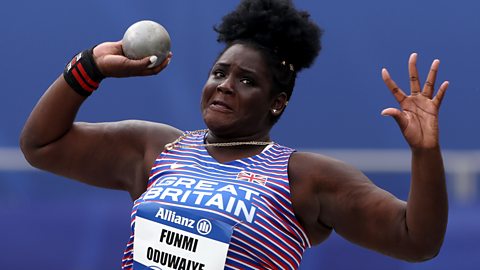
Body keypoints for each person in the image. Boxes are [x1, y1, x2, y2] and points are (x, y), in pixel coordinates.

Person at [20, 0, 449, 269]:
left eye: (246, 81)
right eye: (219, 73)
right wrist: (90, 68)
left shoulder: (305, 176)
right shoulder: (158, 148)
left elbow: (416, 241)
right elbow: (42, 145)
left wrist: (425, 151)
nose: (225, 85)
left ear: (276, 102)